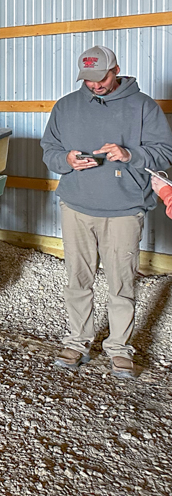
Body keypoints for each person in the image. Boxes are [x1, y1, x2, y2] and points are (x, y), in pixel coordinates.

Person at [41, 45, 172, 379]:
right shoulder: (66, 106)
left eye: (101, 78)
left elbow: (164, 153)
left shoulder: (144, 107)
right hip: (76, 206)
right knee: (77, 280)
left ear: (116, 70)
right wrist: (65, 161)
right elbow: (50, 150)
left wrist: (130, 154)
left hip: (124, 210)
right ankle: (78, 341)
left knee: (122, 282)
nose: (95, 85)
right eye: (88, 80)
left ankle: (118, 349)